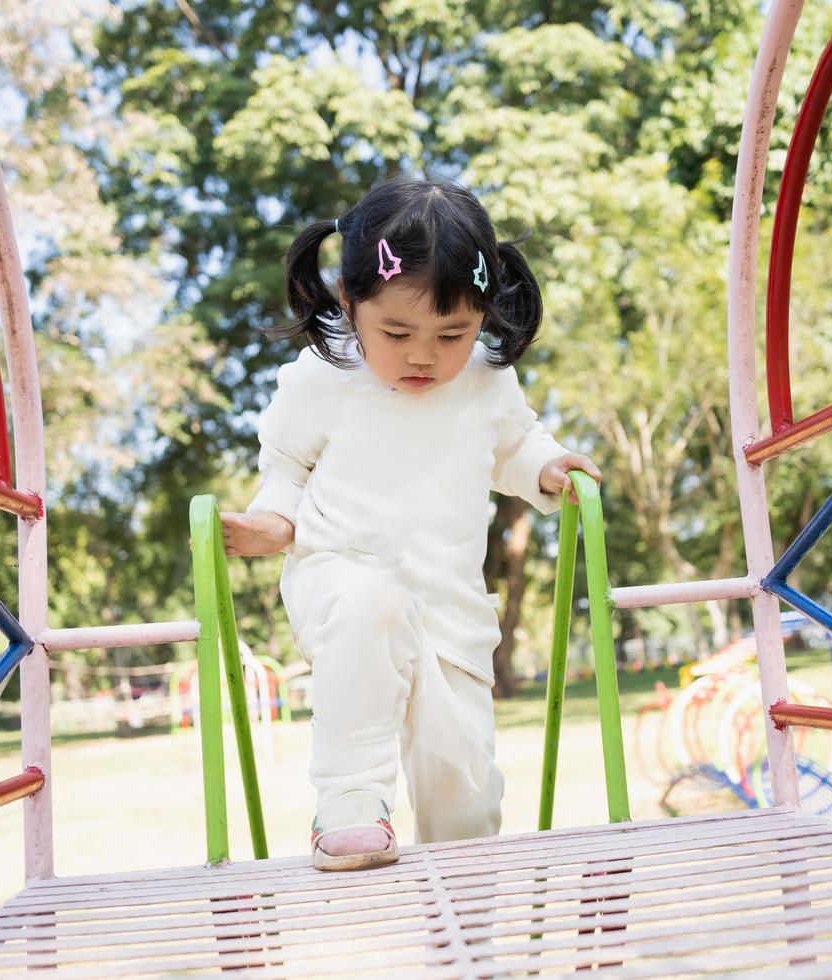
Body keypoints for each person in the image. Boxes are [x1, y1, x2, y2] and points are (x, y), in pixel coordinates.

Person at [220, 177, 600, 872]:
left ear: (482, 316)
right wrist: (273, 523)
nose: (424, 355)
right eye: (396, 332)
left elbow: (514, 446)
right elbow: (285, 469)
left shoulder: (485, 379)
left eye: (452, 333)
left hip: (450, 607)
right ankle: (350, 803)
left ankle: (466, 935)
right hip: (338, 579)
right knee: (374, 603)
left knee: (464, 797)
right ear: (348, 301)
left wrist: (546, 468)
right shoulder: (322, 377)